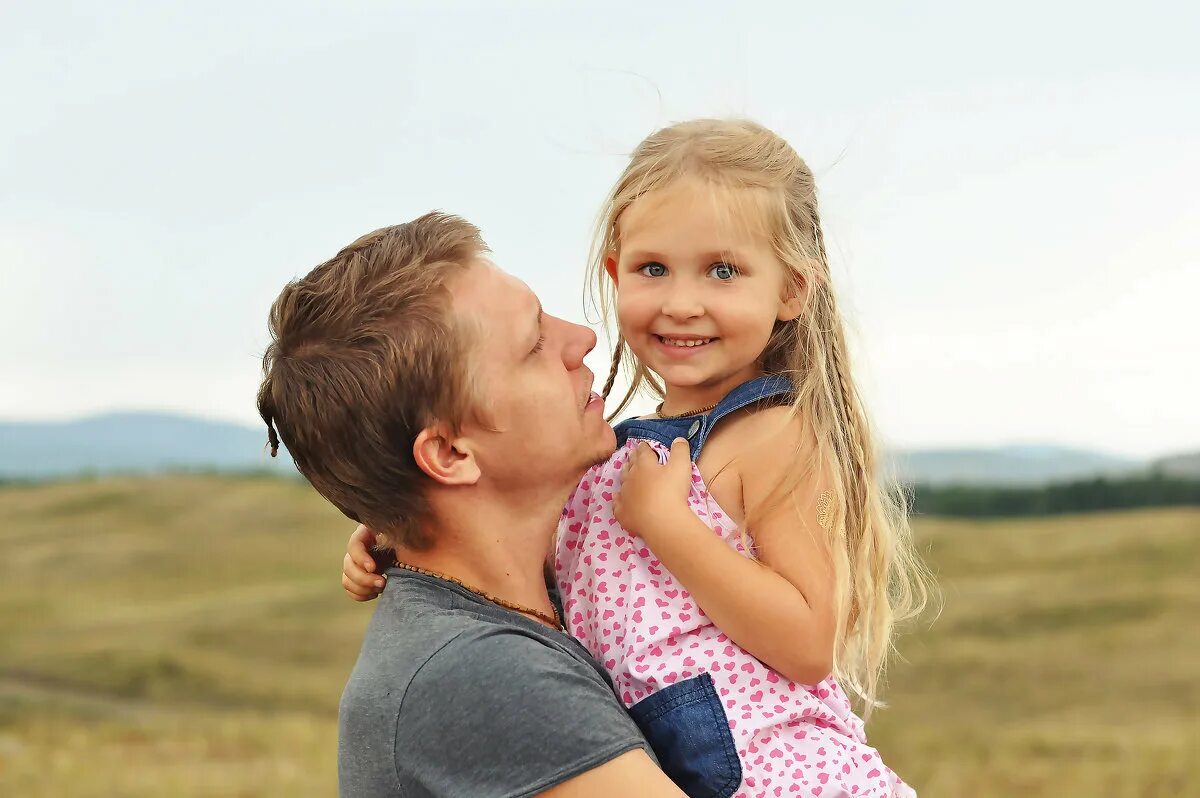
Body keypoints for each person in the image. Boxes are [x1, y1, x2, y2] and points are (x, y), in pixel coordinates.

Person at [344, 119, 934, 798]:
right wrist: (396, 535)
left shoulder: (773, 437)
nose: (683, 303)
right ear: (615, 272)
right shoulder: (615, 455)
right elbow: (521, 552)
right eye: (654, 269)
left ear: (793, 290)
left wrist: (671, 526)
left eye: (724, 271)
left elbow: (807, 643)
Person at [257, 212, 685, 797]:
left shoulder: (548, 598)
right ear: (452, 454)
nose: (581, 339)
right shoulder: (481, 674)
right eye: (533, 344)